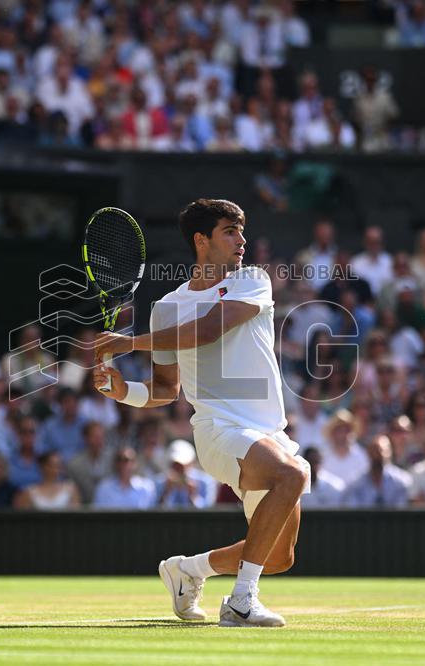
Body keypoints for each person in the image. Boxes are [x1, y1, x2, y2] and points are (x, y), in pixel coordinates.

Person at [92, 199, 310, 627]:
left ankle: (187, 569)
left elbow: (210, 330)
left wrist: (131, 343)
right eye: (230, 230)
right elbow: (164, 390)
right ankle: (242, 601)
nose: (242, 240)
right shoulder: (168, 309)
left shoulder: (252, 279)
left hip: (269, 434)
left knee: (279, 556)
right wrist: (123, 392)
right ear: (201, 240)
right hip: (218, 431)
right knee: (294, 474)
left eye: (242, 230)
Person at [343, 434, 411, 508]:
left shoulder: (402, 481)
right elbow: (353, 512)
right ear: (368, 453)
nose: (379, 454)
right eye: (375, 450)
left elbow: (402, 511)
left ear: (390, 452)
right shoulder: (356, 483)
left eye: (382, 450)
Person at [156, 440, 217, 508]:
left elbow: (208, 511)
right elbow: (153, 511)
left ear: (191, 463)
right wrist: (166, 492)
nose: (178, 468)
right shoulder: (160, 481)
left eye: (182, 464)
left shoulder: (206, 481)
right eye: (175, 464)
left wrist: (193, 495)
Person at [93, 446, 157, 509]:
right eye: (120, 459)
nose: (124, 464)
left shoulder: (147, 487)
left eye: (128, 460)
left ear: (135, 463)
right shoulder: (104, 488)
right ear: (116, 463)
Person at [66, 421, 113, 504]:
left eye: (101, 437)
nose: (99, 441)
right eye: (95, 437)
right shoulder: (74, 465)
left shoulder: (113, 460)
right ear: (85, 438)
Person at [319, 409, 369, 487]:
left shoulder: (361, 456)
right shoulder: (322, 455)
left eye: (346, 430)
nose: (342, 434)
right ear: (332, 433)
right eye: (339, 430)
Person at [16, 451, 82, 510]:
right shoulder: (29, 492)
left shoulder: (71, 489)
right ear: (43, 466)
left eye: (59, 465)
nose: (57, 468)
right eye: (53, 465)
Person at [37, 387, 86, 462]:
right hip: (56, 467)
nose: (71, 405)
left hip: (80, 467)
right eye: (67, 401)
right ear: (59, 404)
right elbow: (41, 448)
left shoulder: (86, 423)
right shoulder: (49, 425)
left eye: (74, 401)